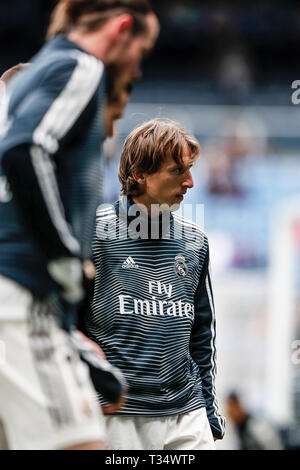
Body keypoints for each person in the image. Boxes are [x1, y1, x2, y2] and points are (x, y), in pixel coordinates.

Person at [0, 0, 158, 450]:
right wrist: (66, 260)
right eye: (141, 51)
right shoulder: (81, 67)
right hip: (21, 298)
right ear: (122, 27)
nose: (138, 68)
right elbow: (27, 149)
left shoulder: (31, 78)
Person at [86, 119, 226, 450]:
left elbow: (201, 335)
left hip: (185, 415)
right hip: (116, 415)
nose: (190, 182)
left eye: (190, 169)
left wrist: (207, 409)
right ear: (139, 174)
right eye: (178, 171)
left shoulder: (195, 242)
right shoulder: (94, 235)